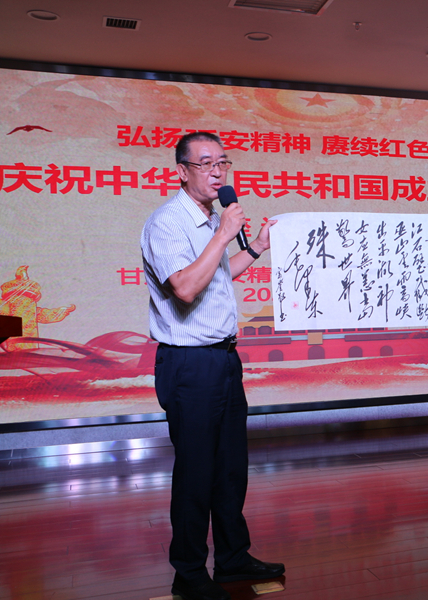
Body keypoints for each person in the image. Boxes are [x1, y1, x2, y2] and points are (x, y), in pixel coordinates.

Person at [141, 132, 283, 600]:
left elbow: (217, 274)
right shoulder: (168, 222)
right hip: (189, 365)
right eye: (205, 163)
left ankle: (232, 558)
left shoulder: (208, 220)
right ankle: (188, 572)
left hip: (223, 359)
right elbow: (185, 287)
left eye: (222, 162)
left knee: (230, 467)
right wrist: (223, 234)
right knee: (196, 471)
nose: (217, 172)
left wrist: (255, 246)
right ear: (182, 171)